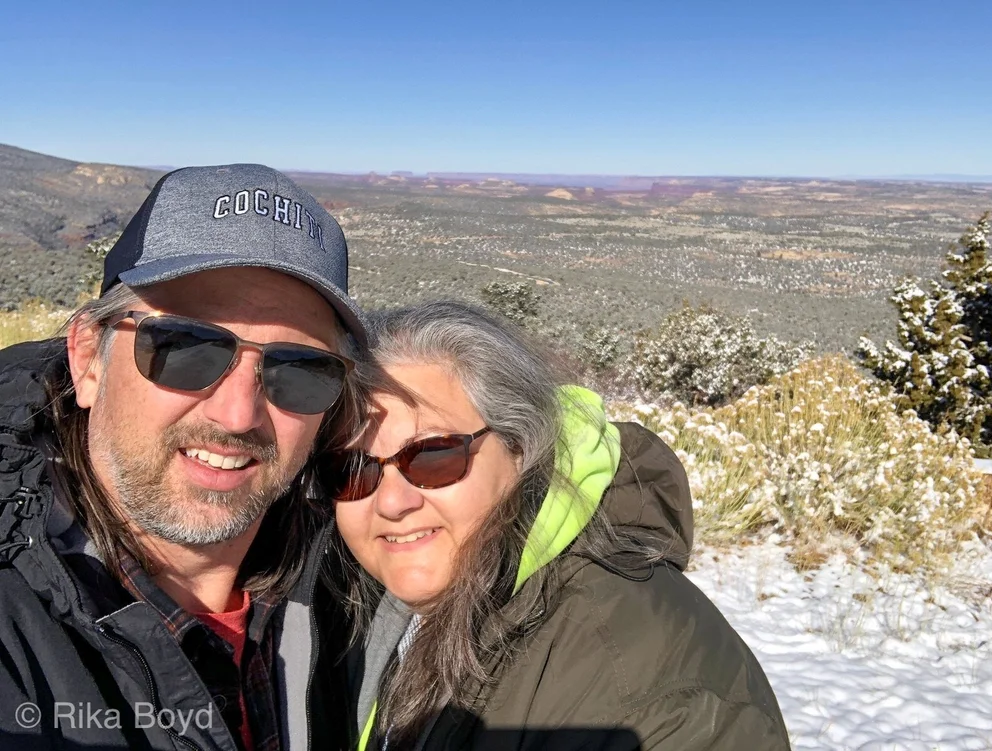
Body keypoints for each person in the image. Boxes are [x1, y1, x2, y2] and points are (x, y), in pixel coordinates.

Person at [0, 164, 367, 750]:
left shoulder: (357, 582)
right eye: (185, 348)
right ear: (89, 359)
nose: (237, 415)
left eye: (298, 368)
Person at [324, 300, 791, 751]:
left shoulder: (646, 691)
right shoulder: (355, 611)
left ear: (520, 450)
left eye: (433, 456)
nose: (390, 501)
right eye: (351, 469)